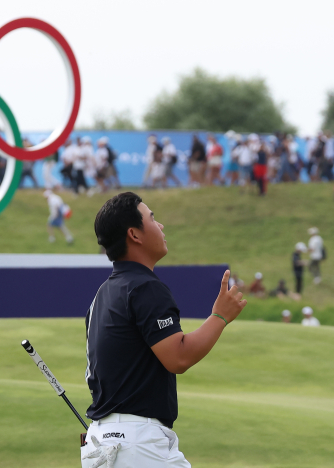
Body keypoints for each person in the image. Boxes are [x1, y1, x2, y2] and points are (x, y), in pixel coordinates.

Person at [83, 192, 246, 468]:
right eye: (152, 218)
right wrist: (220, 316)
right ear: (134, 234)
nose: (160, 226)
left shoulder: (102, 294)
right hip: (138, 445)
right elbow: (178, 357)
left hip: (103, 441)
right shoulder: (145, 287)